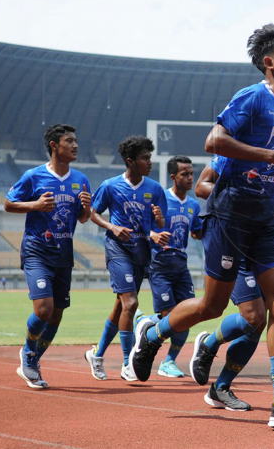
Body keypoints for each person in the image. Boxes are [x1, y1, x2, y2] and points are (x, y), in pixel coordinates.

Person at [130, 24, 274, 430]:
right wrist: (272, 157)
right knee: (210, 307)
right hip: (229, 217)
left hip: (265, 221)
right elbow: (213, 142)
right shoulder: (251, 97)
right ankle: (152, 336)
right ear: (268, 62)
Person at [191, 147, 274, 412]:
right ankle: (207, 343)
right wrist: (242, 201)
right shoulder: (237, 149)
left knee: (265, 318)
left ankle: (221, 387)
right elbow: (201, 187)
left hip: (262, 243)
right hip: (232, 238)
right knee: (253, 317)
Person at [5, 123, 92, 389]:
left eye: (76, 140)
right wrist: (36, 205)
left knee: (56, 315)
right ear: (54, 146)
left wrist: (87, 209)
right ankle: (29, 355)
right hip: (37, 250)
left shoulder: (81, 179)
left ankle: (31, 359)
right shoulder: (33, 176)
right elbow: (8, 204)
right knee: (43, 309)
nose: (76, 145)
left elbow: (83, 218)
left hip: (64, 254)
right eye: (70, 140)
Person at [84, 136, 167, 382]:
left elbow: (159, 224)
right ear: (131, 161)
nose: (150, 162)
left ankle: (96, 355)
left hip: (142, 252)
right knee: (130, 304)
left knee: (121, 307)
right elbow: (93, 213)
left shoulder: (155, 189)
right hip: (118, 249)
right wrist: (112, 227)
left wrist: (158, 224)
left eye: (150, 157)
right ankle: (127, 362)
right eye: (145, 158)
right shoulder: (110, 186)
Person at [141, 155, 203, 379]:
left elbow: (197, 231)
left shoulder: (194, 205)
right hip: (159, 265)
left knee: (188, 316)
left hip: (181, 266)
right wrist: (154, 235)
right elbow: (142, 228)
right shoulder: (159, 199)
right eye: (184, 174)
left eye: (191, 173)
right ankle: (144, 323)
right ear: (173, 177)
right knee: (171, 315)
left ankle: (168, 361)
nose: (189, 177)